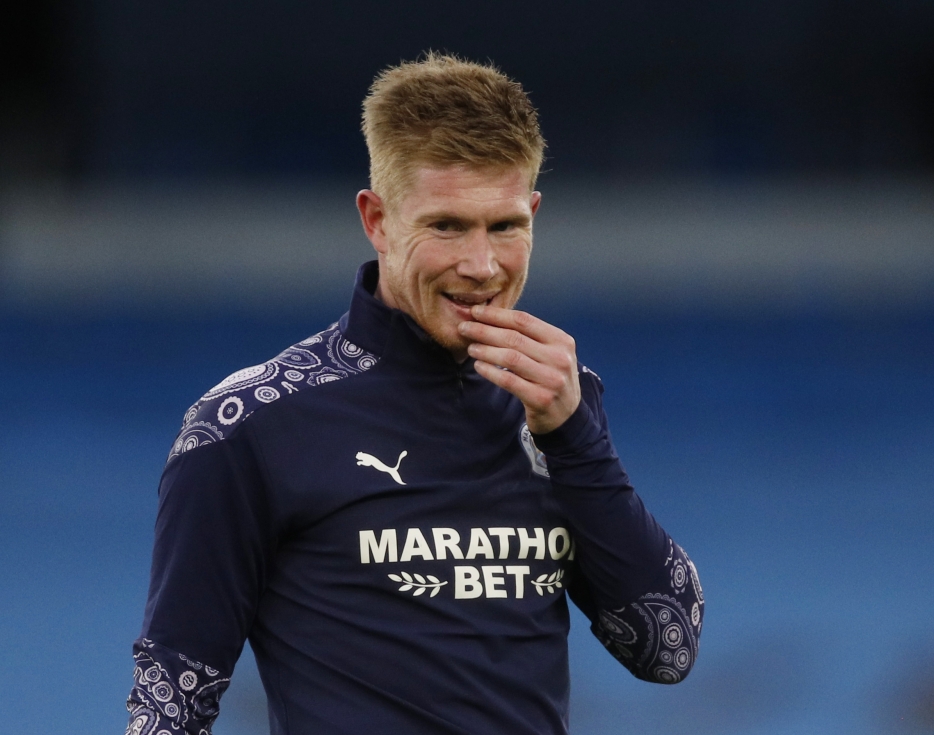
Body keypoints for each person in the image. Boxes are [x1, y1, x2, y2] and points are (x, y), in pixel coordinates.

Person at [125, 52, 703, 735]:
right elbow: (169, 710)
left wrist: (573, 433)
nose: (482, 265)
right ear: (377, 219)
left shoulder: (558, 404)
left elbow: (667, 648)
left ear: (535, 214)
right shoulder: (249, 425)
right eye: (447, 226)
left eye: (506, 226)